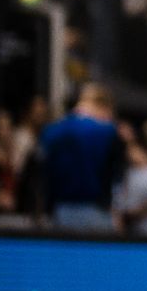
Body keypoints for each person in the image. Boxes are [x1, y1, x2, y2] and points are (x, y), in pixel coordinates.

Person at [38, 83, 127, 232]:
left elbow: (41, 177)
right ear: (104, 106)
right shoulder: (109, 132)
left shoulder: (50, 132)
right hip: (97, 213)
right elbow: (116, 178)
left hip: (59, 213)